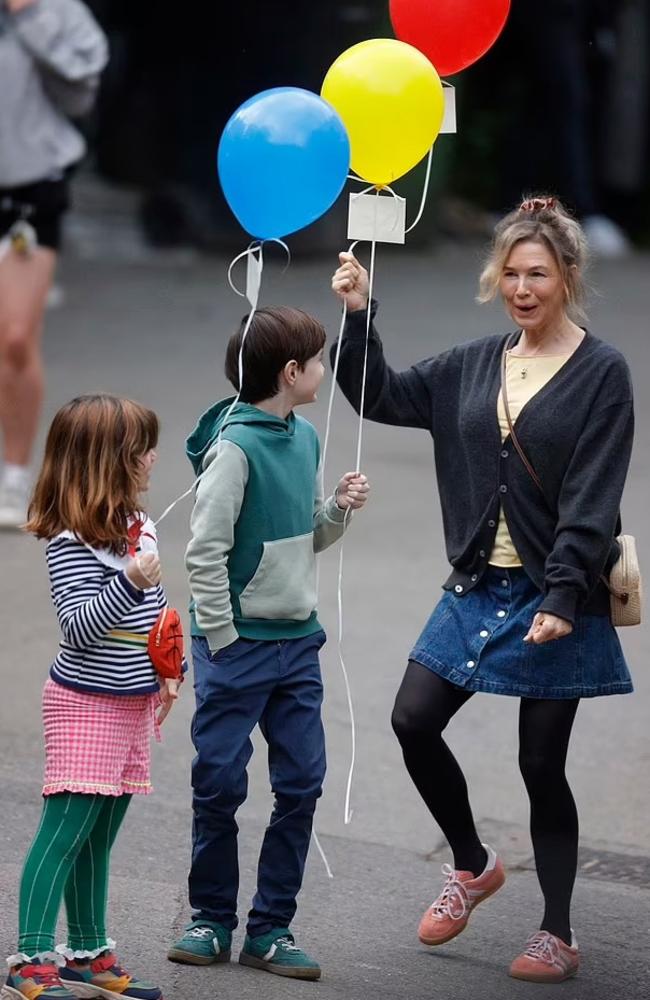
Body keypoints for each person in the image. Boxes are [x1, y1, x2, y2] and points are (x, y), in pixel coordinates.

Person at [331, 197, 633, 984]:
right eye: (510, 272)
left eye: (538, 273)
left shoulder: (602, 374)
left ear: (568, 277)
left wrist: (566, 599)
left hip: (552, 590)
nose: (521, 287)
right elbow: (382, 395)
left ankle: (557, 933)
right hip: (476, 584)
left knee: (541, 763)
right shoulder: (474, 361)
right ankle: (472, 864)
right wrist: (360, 313)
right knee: (412, 717)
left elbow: (593, 499)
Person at [168, 306, 370, 981]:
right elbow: (204, 551)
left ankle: (270, 928)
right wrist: (222, 640)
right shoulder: (234, 449)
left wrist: (336, 508)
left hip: (296, 645)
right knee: (218, 784)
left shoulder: (305, 437)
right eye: (316, 360)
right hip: (237, 646)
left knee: (302, 783)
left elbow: (304, 535)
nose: (322, 369)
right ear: (291, 373)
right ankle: (209, 918)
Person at [3, 394, 180, 1000]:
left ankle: (87, 951)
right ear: (106, 462)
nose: (152, 457)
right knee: (64, 830)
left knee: (98, 836)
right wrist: (129, 579)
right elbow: (80, 628)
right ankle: (29, 955)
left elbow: (153, 617)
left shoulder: (139, 526)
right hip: (86, 703)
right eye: (140, 449)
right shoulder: (71, 540)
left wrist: (167, 669)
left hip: (131, 703)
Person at [0, 0, 108, 529]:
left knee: (16, 338)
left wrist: (27, 16)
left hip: (30, 192)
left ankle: (14, 473)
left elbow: (82, 82)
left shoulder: (56, 10)